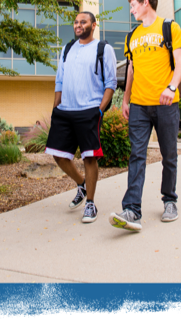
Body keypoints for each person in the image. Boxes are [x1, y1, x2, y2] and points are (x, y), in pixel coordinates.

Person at [109, 0, 181, 232]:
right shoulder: (132, 35)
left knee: (169, 155)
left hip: (166, 103)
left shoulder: (169, 27)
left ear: (146, 2)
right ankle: (132, 209)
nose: (131, 9)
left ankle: (170, 201)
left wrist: (172, 87)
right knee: (137, 156)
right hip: (140, 106)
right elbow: (131, 69)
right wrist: (125, 99)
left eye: (133, 4)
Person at [45, 11, 117, 223]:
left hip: (89, 109)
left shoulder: (104, 49)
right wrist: (55, 108)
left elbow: (111, 84)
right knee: (58, 155)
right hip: (65, 110)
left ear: (93, 25)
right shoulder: (67, 49)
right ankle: (82, 184)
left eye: (83, 22)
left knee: (89, 156)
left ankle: (90, 204)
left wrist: (100, 110)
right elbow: (59, 80)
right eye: (76, 22)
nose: (78, 25)